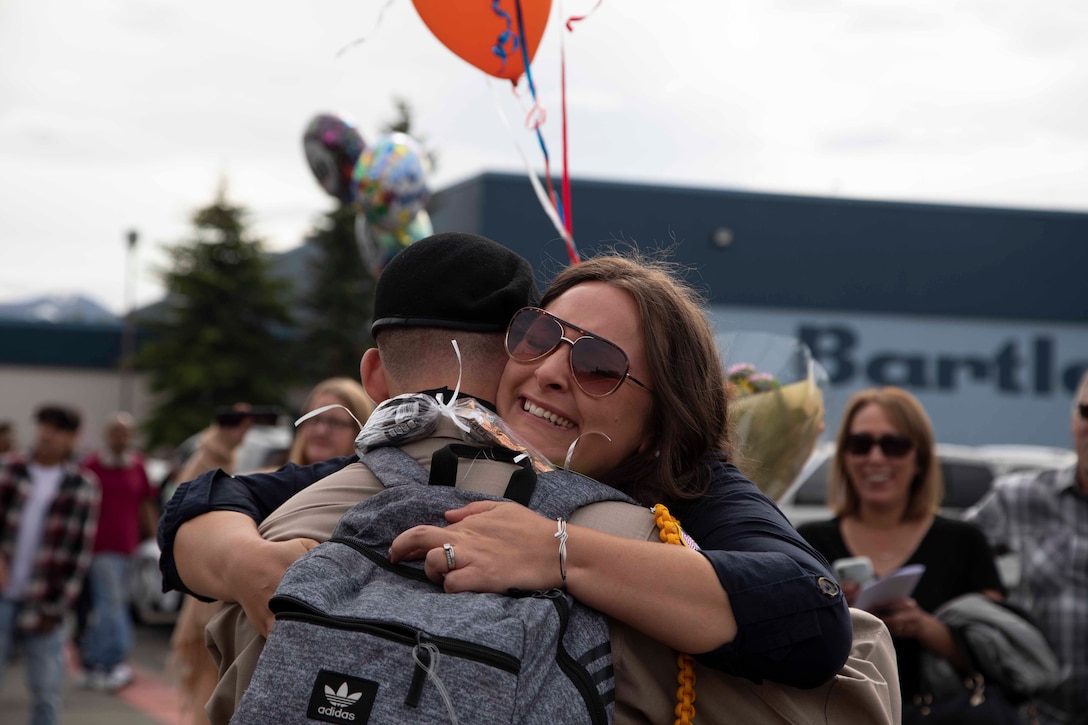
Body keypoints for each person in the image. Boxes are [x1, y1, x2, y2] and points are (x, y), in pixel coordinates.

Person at [160, 235, 853, 721]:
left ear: (659, 420)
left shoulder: (693, 486)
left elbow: (814, 613)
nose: (552, 368)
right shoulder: (470, 452)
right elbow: (207, 502)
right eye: (541, 335)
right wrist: (252, 565)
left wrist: (555, 550)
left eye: (600, 364)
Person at [168, 384, 373, 725]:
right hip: (223, 642)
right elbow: (190, 504)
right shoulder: (268, 485)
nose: (321, 429)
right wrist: (221, 442)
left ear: (361, 428)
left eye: (336, 421)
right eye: (313, 418)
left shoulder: (368, 501)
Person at [795, 386, 1004, 715]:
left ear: (919, 458)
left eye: (894, 445)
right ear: (845, 456)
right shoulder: (810, 541)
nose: (875, 457)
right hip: (838, 715)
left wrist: (924, 627)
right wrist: (838, 614)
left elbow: (1000, 652)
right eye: (860, 444)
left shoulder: (964, 541)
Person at [964, 369, 1088, 725]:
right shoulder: (1017, 499)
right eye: (1087, 412)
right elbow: (949, 555)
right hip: (1030, 715)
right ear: (1072, 418)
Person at [0, 404, 100, 725]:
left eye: (57, 428)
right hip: (2, 594)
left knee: (45, 690)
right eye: (44, 426)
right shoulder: (9, 472)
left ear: (73, 437)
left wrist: (57, 608)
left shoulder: (82, 485)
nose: (47, 434)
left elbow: (78, 555)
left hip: (45, 600)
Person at [77, 411, 158, 692]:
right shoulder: (92, 466)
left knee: (115, 604)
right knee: (112, 604)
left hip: (129, 547)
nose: (121, 437)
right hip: (100, 547)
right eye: (116, 432)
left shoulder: (136, 466)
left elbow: (146, 504)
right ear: (107, 435)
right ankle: (112, 660)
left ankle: (94, 660)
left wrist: (156, 539)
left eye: (125, 432)